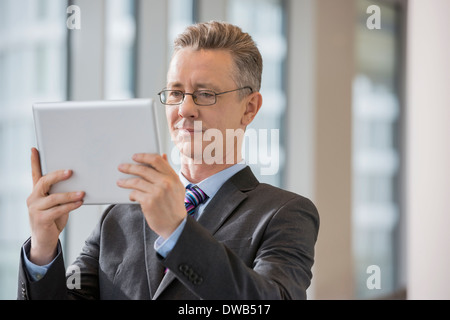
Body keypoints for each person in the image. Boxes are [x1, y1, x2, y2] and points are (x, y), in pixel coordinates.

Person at [18, 21, 319, 300]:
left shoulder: (285, 214)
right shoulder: (118, 216)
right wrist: (42, 251)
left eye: (205, 94)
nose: (185, 109)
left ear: (249, 108)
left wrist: (177, 231)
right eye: (176, 92)